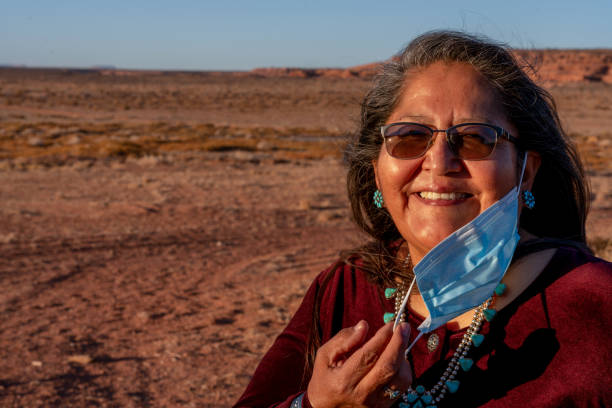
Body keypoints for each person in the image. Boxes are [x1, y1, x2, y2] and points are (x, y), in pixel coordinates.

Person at [234, 31, 611, 408]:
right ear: (378, 171)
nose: (439, 162)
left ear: (525, 171)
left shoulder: (597, 303)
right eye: (410, 137)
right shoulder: (345, 286)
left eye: (476, 138)